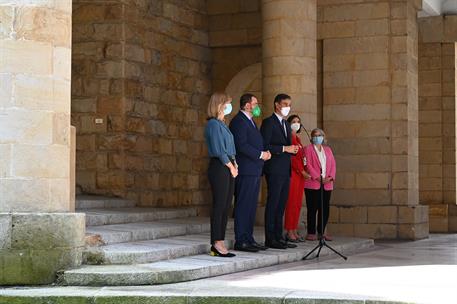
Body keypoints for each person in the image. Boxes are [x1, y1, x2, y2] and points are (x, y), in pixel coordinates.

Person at [229, 94, 271, 253]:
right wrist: (260, 154)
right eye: (255, 103)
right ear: (247, 105)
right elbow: (242, 145)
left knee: (251, 206)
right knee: (243, 205)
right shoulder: (239, 121)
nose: (257, 106)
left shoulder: (250, 121)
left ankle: (249, 238)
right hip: (246, 170)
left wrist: (264, 153)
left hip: (254, 169)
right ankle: (241, 239)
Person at [260, 93, 299, 249]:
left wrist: (292, 150)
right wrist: (284, 148)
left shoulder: (286, 125)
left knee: (282, 204)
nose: (287, 107)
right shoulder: (268, 123)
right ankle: (270, 238)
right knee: (273, 203)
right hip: (274, 168)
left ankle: (278, 236)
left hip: (285, 169)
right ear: (277, 105)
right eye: (284, 104)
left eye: (289, 104)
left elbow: (287, 146)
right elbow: (265, 145)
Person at [204, 92, 237, 257]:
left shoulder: (223, 124)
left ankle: (221, 240)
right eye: (227, 103)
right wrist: (230, 166)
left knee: (226, 205)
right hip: (220, 166)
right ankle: (216, 242)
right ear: (219, 104)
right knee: (219, 205)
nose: (229, 106)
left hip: (228, 165)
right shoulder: (213, 124)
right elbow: (218, 149)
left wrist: (234, 164)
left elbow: (230, 147)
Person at [304, 128, 336, 241]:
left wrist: (330, 177)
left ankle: (322, 232)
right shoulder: (308, 149)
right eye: (315, 135)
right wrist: (317, 177)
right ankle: (311, 232)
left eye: (320, 135)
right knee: (312, 208)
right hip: (313, 183)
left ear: (323, 137)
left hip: (327, 183)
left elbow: (333, 164)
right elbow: (307, 165)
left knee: (325, 208)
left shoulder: (328, 150)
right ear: (312, 138)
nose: (317, 137)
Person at [284, 115, 309, 243]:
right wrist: (301, 170)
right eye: (293, 122)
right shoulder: (289, 138)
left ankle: (294, 229)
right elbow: (292, 158)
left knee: (298, 203)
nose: (296, 124)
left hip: (300, 176)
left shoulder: (298, 138)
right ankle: (289, 230)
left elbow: (301, 157)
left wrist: (306, 170)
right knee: (291, 203)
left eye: (298, 122)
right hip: (294, 174)